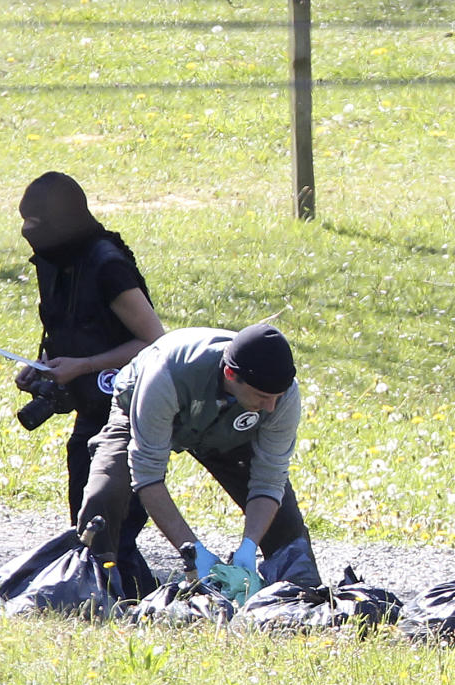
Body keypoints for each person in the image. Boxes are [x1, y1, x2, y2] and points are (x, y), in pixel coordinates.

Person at [76, 323, 321, 588]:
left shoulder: (280, 397)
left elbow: (270, 478)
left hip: (227, 429)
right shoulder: (168, 372)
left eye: (277, 397)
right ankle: (93, 590)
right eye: (263, 396)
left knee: (284, 522)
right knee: (105, 492)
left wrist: (249, 547)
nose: (271, 407)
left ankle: (297, 596)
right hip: (141, 406)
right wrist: (194, 552)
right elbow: (148, 474)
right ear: (230, 374)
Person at [16, 171, 165, 595]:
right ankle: (103, 592)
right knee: (83, 515)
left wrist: (83, 366)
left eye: (36, 223)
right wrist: (41, 365)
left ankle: (127, 598)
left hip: (132, 410)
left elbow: (156, 341)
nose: (27, 231)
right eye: (24, 221)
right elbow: (70, 324)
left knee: (110, 526)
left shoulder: (107, 266)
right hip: (90, 411)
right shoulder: (56, 262)